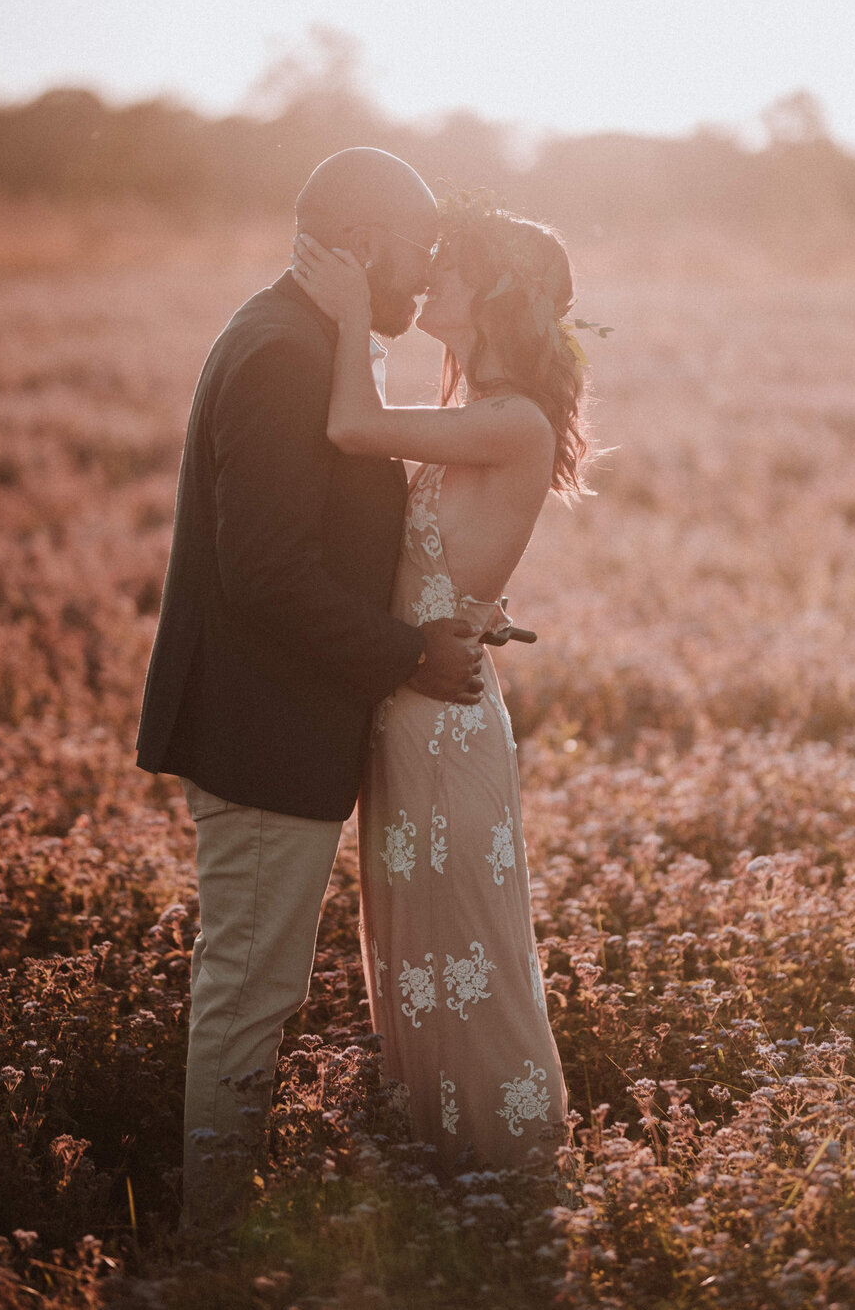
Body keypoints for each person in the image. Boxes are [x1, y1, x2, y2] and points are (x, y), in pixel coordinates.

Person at [135, 148, 484, 1229]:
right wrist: (407, 653)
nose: (425, 277)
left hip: (283, 726)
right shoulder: (282, 351)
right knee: (247, 997)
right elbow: (268, 570)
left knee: (257, 991)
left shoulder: (312, 339)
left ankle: (213, 1227)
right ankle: (208, 1245)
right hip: (258, 730)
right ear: (366, 242)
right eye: (416, 250)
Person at [291, 192, 590, 1174]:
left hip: (445, 727)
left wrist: (345, 316)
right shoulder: (481, 413)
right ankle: (441, 1151)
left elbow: (350, 425)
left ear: (496, 298)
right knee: (418, 947)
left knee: (467, 947)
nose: (431, 279)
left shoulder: (513, 422)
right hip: (410, 712)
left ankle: (506, 1166)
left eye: (451, 268)